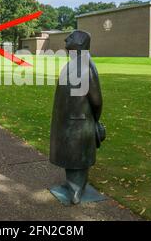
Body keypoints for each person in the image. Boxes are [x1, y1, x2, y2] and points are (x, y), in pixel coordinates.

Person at [50, 30, 105, 204]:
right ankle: (71, 185)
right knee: (69, 154)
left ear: (81, 43)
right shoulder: (73, 64)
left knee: (76, 154)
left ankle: (77, 189)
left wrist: (94, 121)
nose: (66, 39)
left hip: (79, 121)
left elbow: (96, 100)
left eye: (71, 37)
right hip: (67, 120)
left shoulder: (86, 66)